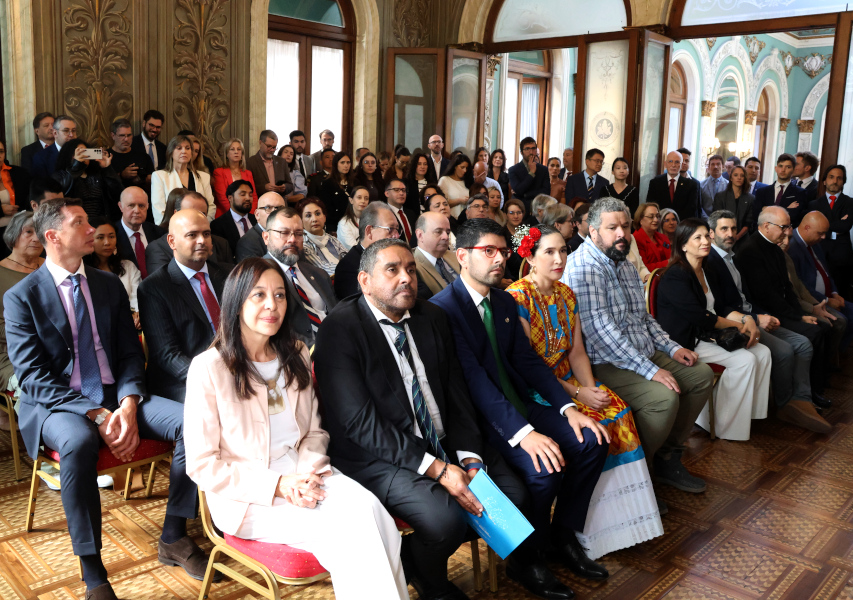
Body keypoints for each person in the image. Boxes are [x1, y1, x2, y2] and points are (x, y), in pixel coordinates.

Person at [317, 238, 571, 600]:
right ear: (364, 281)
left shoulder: (431, 317)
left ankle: (501, 562)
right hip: (383, 454)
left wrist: (469, 458)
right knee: (444, 520)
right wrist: (437, 469)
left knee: (515, 495)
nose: (406, 278)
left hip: (445, 440)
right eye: (392, 270)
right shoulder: (340, 328)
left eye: (410, 269)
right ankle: (428, 579)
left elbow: (458, 395)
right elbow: (360, 423)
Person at [4, 197, 213, 600]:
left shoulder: (107, 284)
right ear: (53, 236)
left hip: (118, 392)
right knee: (78, 442)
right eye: (80, 223)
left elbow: (131, 354)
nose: (92, 230)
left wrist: (130, 403)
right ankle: (93, 572)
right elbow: (33, 378)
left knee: (195, 422)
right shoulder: (22, 296)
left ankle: (173, 534)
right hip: (59, 404)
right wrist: (98, 414)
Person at [184, 257, 408, 599]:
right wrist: (277, 485)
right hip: (248, 495)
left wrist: (307, 473)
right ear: (236, 302)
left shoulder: (295, 353)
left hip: (305, 472)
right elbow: (202, 465)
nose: (272, 305)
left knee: (375, 514)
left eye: (279, 295)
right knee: (348, 534)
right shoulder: (209, 368)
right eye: (259, 295)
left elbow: (314, 432)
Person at [430, 219, 611, 587]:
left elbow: (527, 361)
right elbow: (475, 382)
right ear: (461, 256)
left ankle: (562, 537)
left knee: (592, 440)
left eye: (503, 251)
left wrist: (568, 408)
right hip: (482, 420)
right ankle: (526, 559)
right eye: (489, 251)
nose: (500, 259)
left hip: (520, 403)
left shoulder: (503, 300)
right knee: (544, 470)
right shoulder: (443, 309)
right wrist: (524, 434)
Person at [508, 224, 663, 553]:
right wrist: (578, 395)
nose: (559, 259)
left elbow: (577, 352)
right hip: (540, 389)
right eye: (549, 252)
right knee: (593, 430)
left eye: (563, 250)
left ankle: (614, 523)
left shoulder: (566, 294)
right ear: (530, 258)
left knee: (617, 413)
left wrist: (590, 392)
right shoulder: (517, 297)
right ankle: (581, 529)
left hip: (571, 379)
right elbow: (528, 366)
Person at [561, 198, 714, 493]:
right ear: (593, 231)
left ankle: (666, 456)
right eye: (612, 228)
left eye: (625, 226)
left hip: (639, 351)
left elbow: (643, 318)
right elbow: (602, 334)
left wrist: (671, 348)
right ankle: (638, 473)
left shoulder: (623, 261)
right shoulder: (585, 267)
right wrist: (651, 371)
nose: (622, 233)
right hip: (603, 362)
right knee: (663, 398)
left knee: (700, 375)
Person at [705, 210, 831, 432]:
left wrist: (763, 315)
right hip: (738, 323)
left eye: (733, 228)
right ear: (711, 233)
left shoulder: (731, 256)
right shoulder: (713, 261)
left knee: (804, 344)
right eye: (724, 229)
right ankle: (786, 405)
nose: (730, 234)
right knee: (786, 349)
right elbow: (722, 307)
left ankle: (801, 399)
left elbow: (755, 296)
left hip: (756, 314)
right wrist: (757, 317)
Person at [655, 218, 772, 440]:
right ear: (683, 245)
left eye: (706, 236)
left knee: (763, 352)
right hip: (687, 339)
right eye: (697, 238)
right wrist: (740, 325)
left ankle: (748, 416)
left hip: (709, 333)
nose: (705, 241)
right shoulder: (675, 275)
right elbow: (701, 318)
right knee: (745, 360)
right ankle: (723, 425)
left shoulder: (707, 269)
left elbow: (721, 307)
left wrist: (747, 318)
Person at [734, 206, 831, 405]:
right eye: (783, 227)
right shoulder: (750, 251)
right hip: (766, 312)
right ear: (766, 226)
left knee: (822, 327)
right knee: (814, 332)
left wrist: (800, 314)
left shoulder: (773, 246)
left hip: (781, 309)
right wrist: (797, 317)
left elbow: (787, 288)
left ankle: (813, 389)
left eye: (788, 226)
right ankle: (804, 395)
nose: (787, 232)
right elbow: (766, 295)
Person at [139, 209, 230, 403]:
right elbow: (167, 355)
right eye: (192, 235)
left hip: (235, 369)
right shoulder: (154, 288)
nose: (202, 240)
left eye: (206, 234)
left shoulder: (229, 275)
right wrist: (213, 380)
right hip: (186, 381)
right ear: (171, 241)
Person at [0, 211, 43, 426]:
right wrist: (38, 333)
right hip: (7, 354)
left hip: (53, 348)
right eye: (28, 232)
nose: (36, 238)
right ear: (14, 235)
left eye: (40, 232)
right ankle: (46, 439)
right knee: (39, 385)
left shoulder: (50, 267)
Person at [787, 211, 853, 355]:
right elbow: (800, 285)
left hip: (829, 296)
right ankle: (831, 355)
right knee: (841, 320)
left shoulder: (815, 243)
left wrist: (835, 293)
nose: (824, 237)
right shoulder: (791, 246)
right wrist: (826, 300)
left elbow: (826, 272)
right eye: (820, 233)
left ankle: (837, 351)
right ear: (807, 228)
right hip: (814, 301)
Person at [263, 207, 336, 347]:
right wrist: (320, 349)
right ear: (266, 237)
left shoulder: (318, 274)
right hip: (300, 352)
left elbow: (336, 313)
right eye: (284, 233)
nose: (292, 239)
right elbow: (276, 332)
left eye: (298, 234)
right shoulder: (259, 276)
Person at [779, 229, 847, 377]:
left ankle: (824, 366)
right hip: (792, 309)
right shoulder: (775, 258)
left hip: (807, 303)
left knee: (838, 321)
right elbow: (790, 297)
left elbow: (800, 287)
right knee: (823, 326)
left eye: (789, 238)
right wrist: (812, 308)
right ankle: (817, 373)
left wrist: (817, 305)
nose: (786, 242)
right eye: (783, 238)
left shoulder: (787, 257)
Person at [146, 190, 233, 274]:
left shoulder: (221, 244)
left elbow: (231, 279)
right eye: (190, 213)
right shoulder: (157, 248)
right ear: (176, 214)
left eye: (202, 214)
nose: (197, 217)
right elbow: (162, 281)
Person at [333, 202, 401, 300]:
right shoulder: (348, 267)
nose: (397, 236)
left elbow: (420, 288)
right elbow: (364, 303)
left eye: (397, 229)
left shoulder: (397, 256)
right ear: (369, 231)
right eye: (390, 229)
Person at [808, 164, 853, 297]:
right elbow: (813, 228)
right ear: (824, 181)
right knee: (819, 295)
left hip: (841, 258)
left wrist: (822, 228)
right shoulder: (813, 204)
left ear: (843, 182)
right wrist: (836, 227)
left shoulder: (851, 203)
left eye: (839, 178)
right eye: (831, 177)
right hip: (819, 254)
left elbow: (845, 227)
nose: (835, 181)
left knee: (841, 297)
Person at [84, 217, 141, 330]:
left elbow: (137, 295)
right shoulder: (83, 270)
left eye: (111, 236)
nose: (107, 242)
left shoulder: (128, 266)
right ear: (90, 240)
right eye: (100, 237)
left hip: (129, 323)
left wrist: (137, 312)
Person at [150, 135, 214, 224]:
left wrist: (203, 223)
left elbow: (210, 206)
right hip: (172, 227)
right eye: (179, 148)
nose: (184, 151)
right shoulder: (159, 176)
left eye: (187, 148)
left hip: (200, 225)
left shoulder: (204, 177)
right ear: (171, 152)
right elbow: (158, 209)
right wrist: (174, 228)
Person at [114, 187, 161, 281]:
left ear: (147, 206)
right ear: (120, 206)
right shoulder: (112, 236)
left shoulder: (158, 233)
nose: (137, 210)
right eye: (131, 205)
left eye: (141, 206)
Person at [413, 211, 461, 299]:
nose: (446, 237)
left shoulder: (456, 256)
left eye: (447, 232)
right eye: (438, 232)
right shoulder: (412, 265)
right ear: (420, 235)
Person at [753, 153, 808, 227]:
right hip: (764, 230)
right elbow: (757, 215)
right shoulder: (762, 192)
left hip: (786, 231)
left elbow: (794, 216)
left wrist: (767, 208)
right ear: (776, 168)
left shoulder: (800, 192)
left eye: (788, 167)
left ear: (793, 170)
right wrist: (786, 208)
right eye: (780, 166)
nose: (783, 170)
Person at [297, 198, 349, 276]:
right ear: (301, 221)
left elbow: (349, 259)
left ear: (324, 218)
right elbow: (326, 271)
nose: (314, 219)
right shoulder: (303, 245)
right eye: (308, 215)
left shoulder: (332, 239)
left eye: (318, 214)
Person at [108, 119, 155, 204]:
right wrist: (122, 175)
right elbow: (102, 184)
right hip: (113, 203)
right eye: (122, 135)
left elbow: (152, 184)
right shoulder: (106, 157)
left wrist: (145, 180)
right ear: (113, 135)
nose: (126, 139)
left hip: (140, 202)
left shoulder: (143, 156)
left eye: (129, 135)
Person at [646, 151, 701, 219]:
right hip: (660, 222)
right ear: (665, 164)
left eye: (677, 162)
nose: (673, 165)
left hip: (682, 223)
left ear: (681, 165)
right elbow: (651, 206)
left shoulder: (691, 185)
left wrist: (676, 222)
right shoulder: (655, 182)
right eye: (670, 161)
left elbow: (692, 210)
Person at [211, 138, 258, 218]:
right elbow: (222, 198)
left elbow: (253, 197)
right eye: (232, 149)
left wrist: (249, 215)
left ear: (242, 154)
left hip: (247, 215)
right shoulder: (219, 172)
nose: (236, 152)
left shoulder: (248, 173)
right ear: (227, 154)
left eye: (239, 149)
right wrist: (237, 215)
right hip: (226, 215)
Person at [234, 191, 286, 263]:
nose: (275, 213)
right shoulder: (247, 243)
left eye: (280, 208)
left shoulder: (292, 236)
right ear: (257, 215)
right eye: (268, 208)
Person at [210, 179, 257, 255]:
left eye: (250, 195)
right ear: (230, 198)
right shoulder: (218, 225)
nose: (248, 198)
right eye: (243, 194)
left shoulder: (257, 220)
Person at [712, 165, 754, 245]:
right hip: (723, 238)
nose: (739, 178)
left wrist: (737, 237)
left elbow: (748, 223)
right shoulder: (720, 196)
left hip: (743, 240)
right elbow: (717, 219)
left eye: (742, 175)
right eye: (736, 175)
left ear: (745, 178)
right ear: (731, 178)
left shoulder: (750, 198)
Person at [508, 138, 552, 213]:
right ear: (521, 152)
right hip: (520, 209)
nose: (531, 152)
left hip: (539, 209)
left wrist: (526, 194)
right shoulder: (513, 170)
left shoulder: (543, 169)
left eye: (533, 148)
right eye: (527, 149)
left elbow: (546, 191)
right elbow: (518, 190)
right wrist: (531, 173)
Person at [246, 130, 293, 201]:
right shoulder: (251, 162)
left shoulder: (281, 162)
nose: (272, 150)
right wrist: (264, 188)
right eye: (269, 146)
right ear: (260, 143)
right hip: (261, 203)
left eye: (274, 147)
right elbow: (247, 187)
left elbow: (290, 185)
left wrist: (284, 187)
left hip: (279, 202)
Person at [319, 151, 353, 231]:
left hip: (352, 221)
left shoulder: (355, 182)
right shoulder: (328, 183)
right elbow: (326, 207)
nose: (346, 165)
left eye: (348, 162)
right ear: (336, 164)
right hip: (334, 223)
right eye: (342, 162)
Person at [632, 202, 671, 272]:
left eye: (658, 216)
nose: (656, 220)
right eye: (651, 217)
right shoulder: (636, 239)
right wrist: (669, 262)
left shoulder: (662, 237)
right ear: (640, 220)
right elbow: (644, 268)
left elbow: (671, 257)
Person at [437, 154, 474, 220]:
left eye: (466, 168)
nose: (465, 170)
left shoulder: (467, 181)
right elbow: (440, 203)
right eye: (462, 167)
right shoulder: (445, 180)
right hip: (450, 219)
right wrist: (459, 200)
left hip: (466, 219)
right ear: (455, 166)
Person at [384, 178, 416, 244]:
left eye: (403, 190)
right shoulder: (384, 214)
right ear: (387, 193)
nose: (401, 193)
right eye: (396, 190)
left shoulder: (411, 214)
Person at [407, 150, 436, 215]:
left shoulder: (431, 183)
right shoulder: (407, 183)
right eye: (419, 164)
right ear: (414, 165)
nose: (422, 167)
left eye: (425, 164)